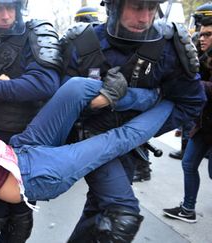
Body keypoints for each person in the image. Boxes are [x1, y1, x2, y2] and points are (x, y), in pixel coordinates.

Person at [0, 77, 173, 236]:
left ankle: (153, 95)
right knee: (117, 139)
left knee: (75, 87)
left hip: (22, 148)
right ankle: (179, 103)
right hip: (32, 176)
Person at [60, 0, 206, 241]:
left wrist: (140, 127)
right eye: (137, 7)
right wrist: (97, 101)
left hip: (127, 146)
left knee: (102, 211)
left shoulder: (167, 48)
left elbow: (190, 101)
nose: (145, 17)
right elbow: (57, 99)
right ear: (114, 6)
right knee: (119, 215)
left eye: (151, 8)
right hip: (83, 140)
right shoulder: (82, 42)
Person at [0, 0, 62, 241]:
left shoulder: (37, 33)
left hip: (27, 136)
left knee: (21, 214)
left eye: (11, 7)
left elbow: (45, 82)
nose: (6, 15)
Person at [163, 17, 212, 224]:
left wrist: (193, 85)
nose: (202, 38)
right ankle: (187, 209)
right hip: (203, 126)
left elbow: (201, 88)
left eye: (208, 34)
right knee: (189, 164)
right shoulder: (201, 57)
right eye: (201, 34)